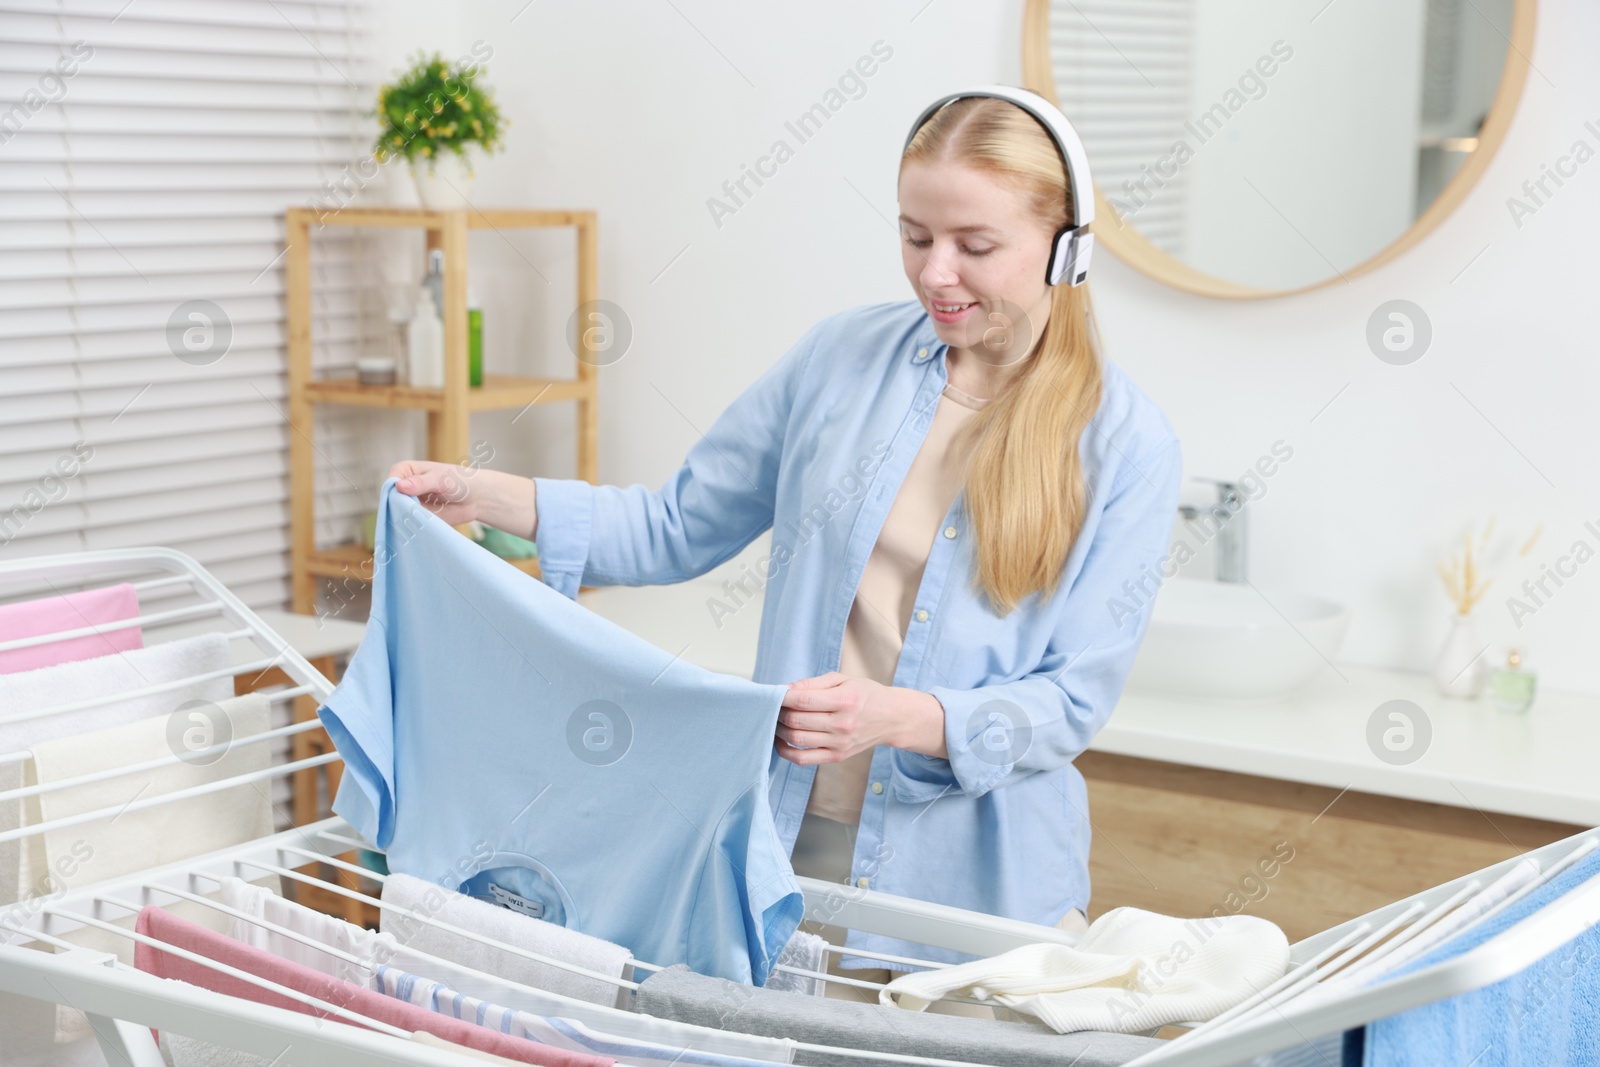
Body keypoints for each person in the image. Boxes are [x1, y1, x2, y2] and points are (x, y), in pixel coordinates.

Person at [388, 87, 1181, 996]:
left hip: (984, 898)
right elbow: (677, 523)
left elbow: (1071, 701)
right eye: (916, 237)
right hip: (792, 854)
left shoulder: (1126, 445)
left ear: (1065, 245)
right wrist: (485, 491)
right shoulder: (838, 361)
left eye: (976, 246)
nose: (935, 274)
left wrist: (898, 716)